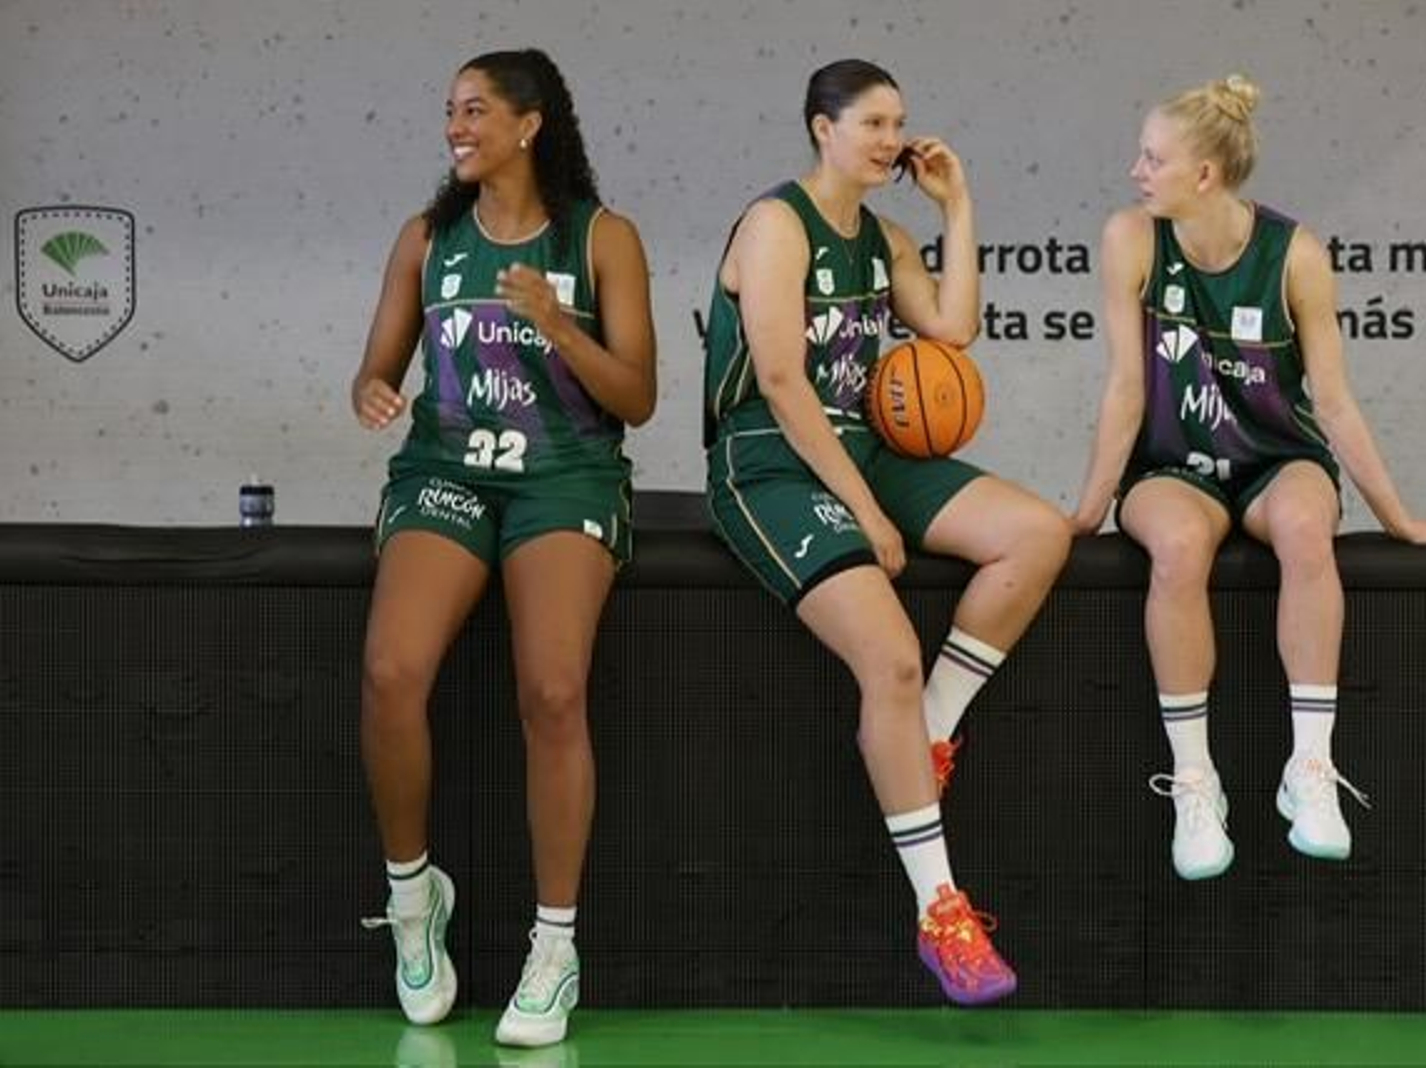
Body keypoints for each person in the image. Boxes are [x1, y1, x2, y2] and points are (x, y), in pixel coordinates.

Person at [702, 58, 1072, 1004]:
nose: (889, 139)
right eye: (871, 122)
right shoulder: (776, 225)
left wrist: (958, 207)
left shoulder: (887, 236)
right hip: (770, 461)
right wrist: (866, 515)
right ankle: (942, 911)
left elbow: (953, 330)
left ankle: (933, 732)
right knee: (891, 660)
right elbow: (783, 384)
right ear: (821, 128)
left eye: (898, 123)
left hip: (865, 449)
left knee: (1037, 533)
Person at [1071, 74, 1426, 881]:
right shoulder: (1130, 240)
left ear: (1205, 175)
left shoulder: (1295, 255)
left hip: (1276, 454)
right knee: (1179, 547)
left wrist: (1397, 517)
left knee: (1303, 528)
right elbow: (1124, 387)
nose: (1135, 171)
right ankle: (1195, 780)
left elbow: (1335, 402)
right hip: (1170, 463)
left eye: (1152, 158)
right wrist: (1083, 515)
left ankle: (1309, 772)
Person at [350, 49, 656, 1046]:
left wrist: (557, 326)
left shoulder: (602, 238)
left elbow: (638, 399)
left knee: (554, 691)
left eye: (475, 110)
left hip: (563, 479)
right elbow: (375, 369)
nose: (456, 127)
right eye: (449, 111)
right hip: (446, 469)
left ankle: (554, 946)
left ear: (530, 125)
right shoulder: (428, 239)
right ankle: (412, 899)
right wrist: (374, 392)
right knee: (392, 671)